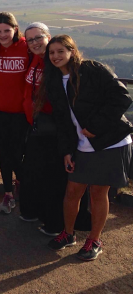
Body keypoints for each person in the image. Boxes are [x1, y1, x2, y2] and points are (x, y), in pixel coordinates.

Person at [40, 35, 132, 261]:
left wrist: (95, 126)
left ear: (72, 51)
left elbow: (122, 97)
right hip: (81, 145)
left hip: (109, 141)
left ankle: (94, 239)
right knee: (72, 191)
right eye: (51, 52)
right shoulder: (53, 81)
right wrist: (67, 151)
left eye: (61, 51)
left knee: (98, 193)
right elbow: (63, 121)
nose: (56, 56)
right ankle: (68, 233)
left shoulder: (92, 69)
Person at [18, 23, 92, 234]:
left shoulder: (56, 64)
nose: (34, 43)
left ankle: (57, 223)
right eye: (29, 39)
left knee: (56, 178)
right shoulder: (36, 59)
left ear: (48, 37)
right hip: (39, 126)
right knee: (36, 173)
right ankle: (39, 213)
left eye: (38, 38)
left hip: (57, 128)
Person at [0, 12, 30, 215]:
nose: (3, 35)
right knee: (4, 151)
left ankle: (21, 183)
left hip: (21, 111)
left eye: (7, 30)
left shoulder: (27, 48)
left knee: (18, 152)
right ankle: (8, 193)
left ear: (15, 29)